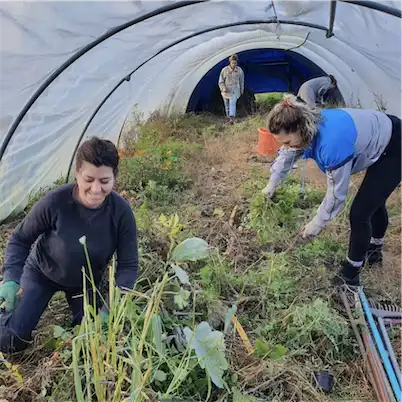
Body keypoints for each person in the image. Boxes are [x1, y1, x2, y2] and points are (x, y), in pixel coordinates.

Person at [0, 137, 139, 353]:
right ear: (77, 174)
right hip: (41, 273)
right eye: (88, 179)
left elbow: (128, 266)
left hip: (85, 282)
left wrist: (110, 309)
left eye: (104, 181)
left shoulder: (121, 213)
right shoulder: (56, 202)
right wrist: (11, 278)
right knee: (10, 339)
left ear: (114, 178)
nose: (95, 189)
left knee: (90, 344)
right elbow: (20, 239)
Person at [261, 94, 402, 287]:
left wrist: (316, 224)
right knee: (374, 201)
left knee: (359, 213)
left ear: (300, 128)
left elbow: (336, 195)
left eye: (286, 141)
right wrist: (271, 184)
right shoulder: (305, 126)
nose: (285, 147)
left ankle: (350, 275)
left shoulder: (331, 144)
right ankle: (374, 252)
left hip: (395, 145)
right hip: (379, 134)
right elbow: (287, 154)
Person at [218, 54, 245, 123]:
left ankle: (232, 117)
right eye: (233, 63)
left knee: (232, 103)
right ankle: (229, 118)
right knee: (227, 105)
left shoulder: (239, 70)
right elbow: (221, 81)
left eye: (235, 63)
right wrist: (223, 88)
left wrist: (242, 90)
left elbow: (241, 81)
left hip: (235, 90)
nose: (234, 64)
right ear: (230, 62)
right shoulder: (224, 70)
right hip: (226, 91)